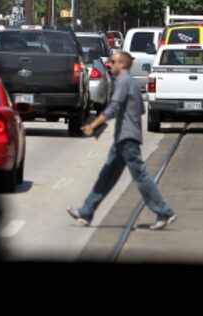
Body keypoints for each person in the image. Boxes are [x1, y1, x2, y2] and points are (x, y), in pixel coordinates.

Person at [67, 51, 177, 231]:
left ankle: (165, 212)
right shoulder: (132, 82)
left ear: (123, 65)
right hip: (124, 137)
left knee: (140, 176)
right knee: (106, 175)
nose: (110, 65)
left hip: (127, 138)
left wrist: (93, 125)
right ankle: (86, 211)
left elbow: (113, 108)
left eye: (113, 62)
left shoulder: (123, 81)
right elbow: (141, 109)